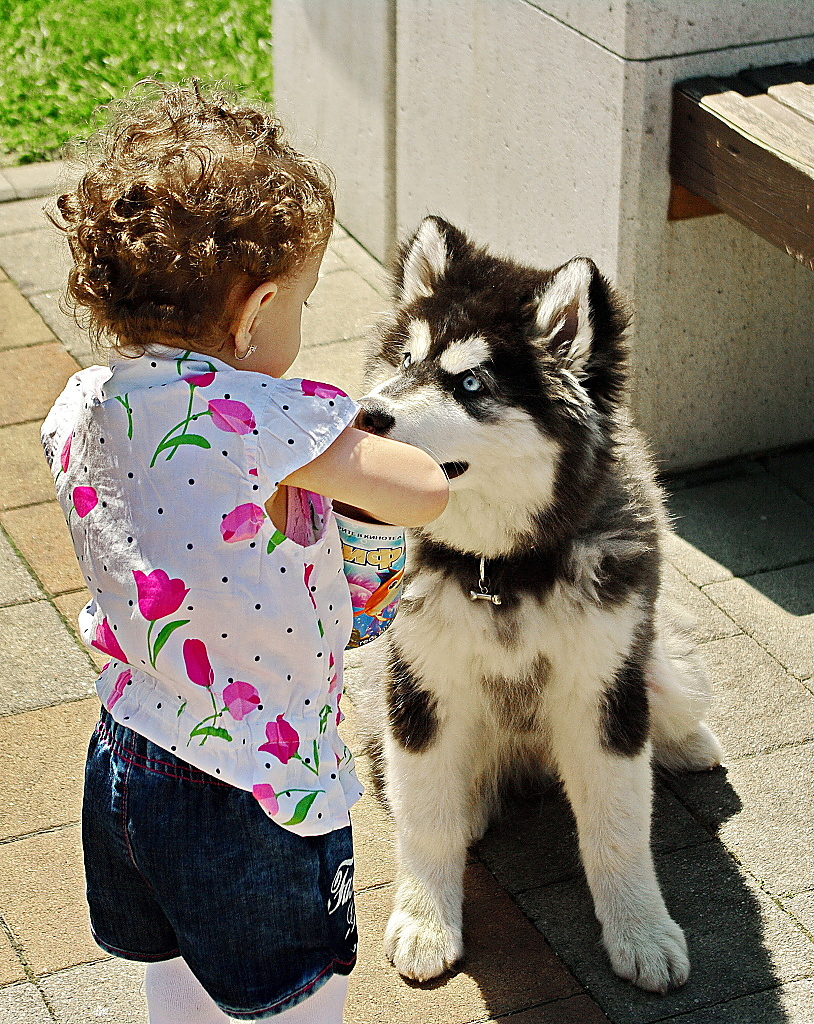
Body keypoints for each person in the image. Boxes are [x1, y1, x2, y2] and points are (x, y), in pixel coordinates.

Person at [41, 78, 448, 1024]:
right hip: (257, 789)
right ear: (257, 309)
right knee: (293, 994)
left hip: (131, 753)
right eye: (304, 300)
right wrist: (340, 448)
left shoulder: (83, 404)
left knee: (178, 961)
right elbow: (423, 487)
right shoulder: (265, 417)